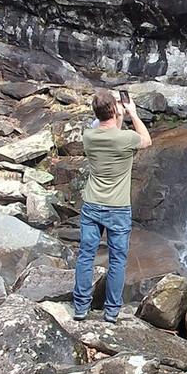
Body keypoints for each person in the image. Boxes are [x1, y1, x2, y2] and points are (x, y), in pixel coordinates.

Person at [72, 89, 152, 322]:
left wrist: (114, 109)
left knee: (86, 256)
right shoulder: (126, 138)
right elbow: (146, 140)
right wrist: (132, 113)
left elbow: (102, 122)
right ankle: (111, 312)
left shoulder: (89, 136)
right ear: (115, 111)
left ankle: (80, 308)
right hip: (117, 208)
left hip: (91, 204)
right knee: (117, 260)